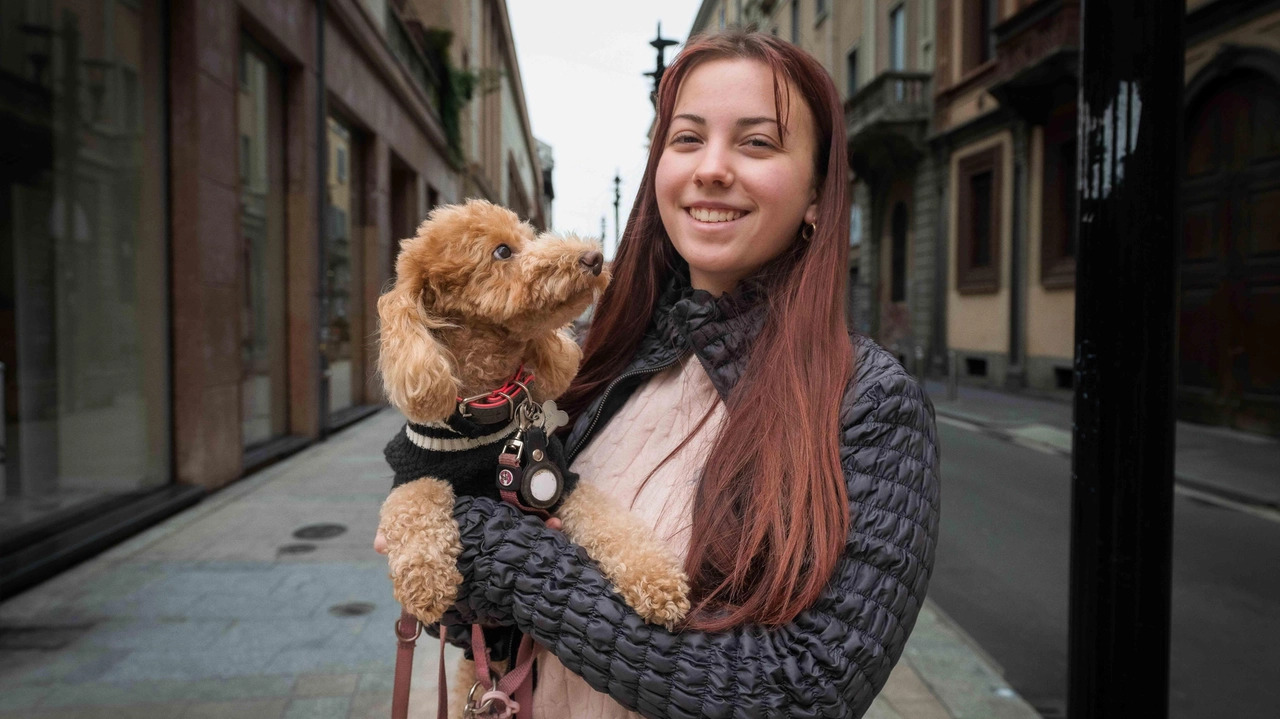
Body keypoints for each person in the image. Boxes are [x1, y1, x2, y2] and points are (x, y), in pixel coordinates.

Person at [377, 30, 939, 719]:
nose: (712, 167)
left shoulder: (871, 402)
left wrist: (498, 552)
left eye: (757, 142)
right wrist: (456, 580)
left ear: (819, 194)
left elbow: (806, 691)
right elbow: (494, 622)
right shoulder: (613, 359)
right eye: (687, 138)